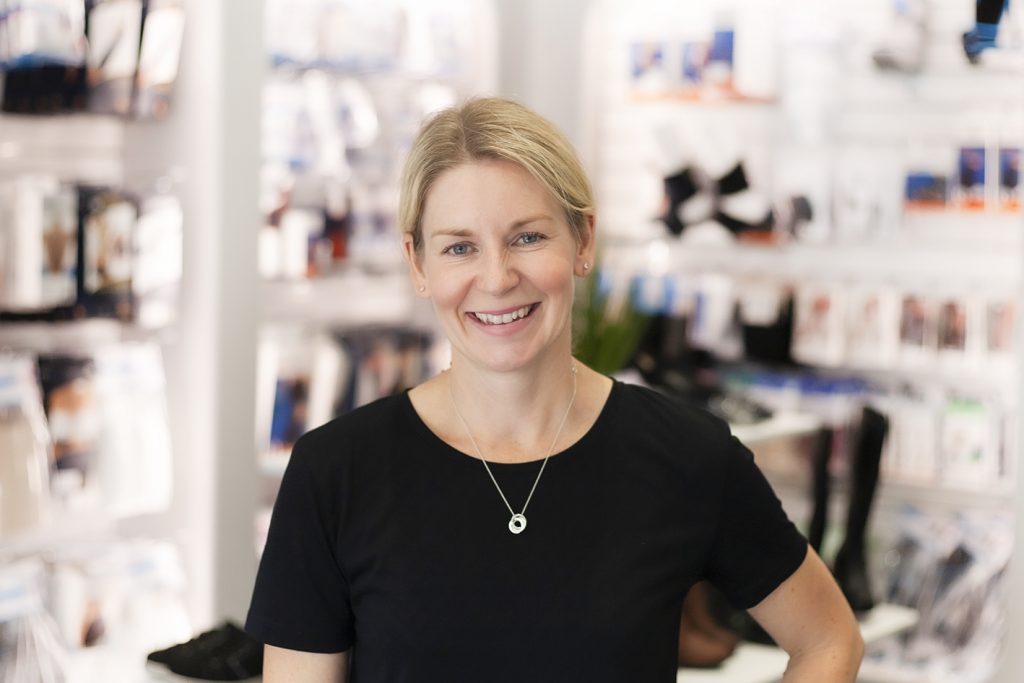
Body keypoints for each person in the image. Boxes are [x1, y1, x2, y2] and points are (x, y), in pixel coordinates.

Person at [245, 97, 864, 682]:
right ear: (418, 264)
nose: (497, 278)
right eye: (459, 247)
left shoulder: (687, 455)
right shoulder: (336, 473)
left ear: (583, 241)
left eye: (528, 237)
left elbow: (829, 638)